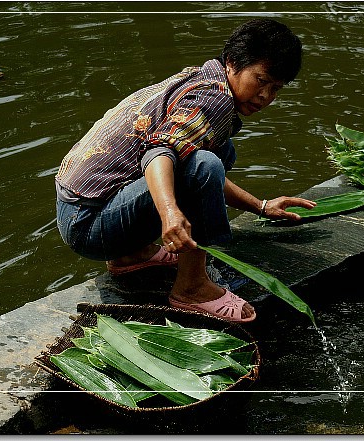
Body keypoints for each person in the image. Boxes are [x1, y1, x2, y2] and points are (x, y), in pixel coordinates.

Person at [55, 19, 316, 323]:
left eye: (275, 89)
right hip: (91, 225)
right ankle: (191, 288)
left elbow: (189, 163)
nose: (266, 97)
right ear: (232, 62)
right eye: (261, 81)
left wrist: (260, 206)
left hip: (76, 212)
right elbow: (161, 153)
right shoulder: (216, 99)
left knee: (216, 154)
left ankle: (131, 254)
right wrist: (169, 214)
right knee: (206, 163)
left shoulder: (199, 77)